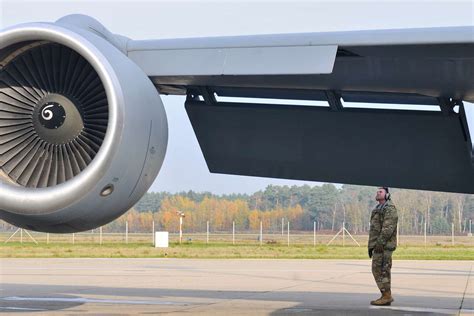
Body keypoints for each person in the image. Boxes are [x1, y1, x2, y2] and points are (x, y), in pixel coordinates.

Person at [368, 187, 398, 306]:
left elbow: (387, 229)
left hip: (384, 246)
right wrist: (371, 246)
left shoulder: (389, 208)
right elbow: (375, 229)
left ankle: (386, 296)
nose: (378, 193)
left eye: (380, 192)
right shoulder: (378, 209)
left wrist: (380, 244)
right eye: (377, 191)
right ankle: (385, 295)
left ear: (387, 195)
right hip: (378, 246)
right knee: (377, 270)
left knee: (383, 271)